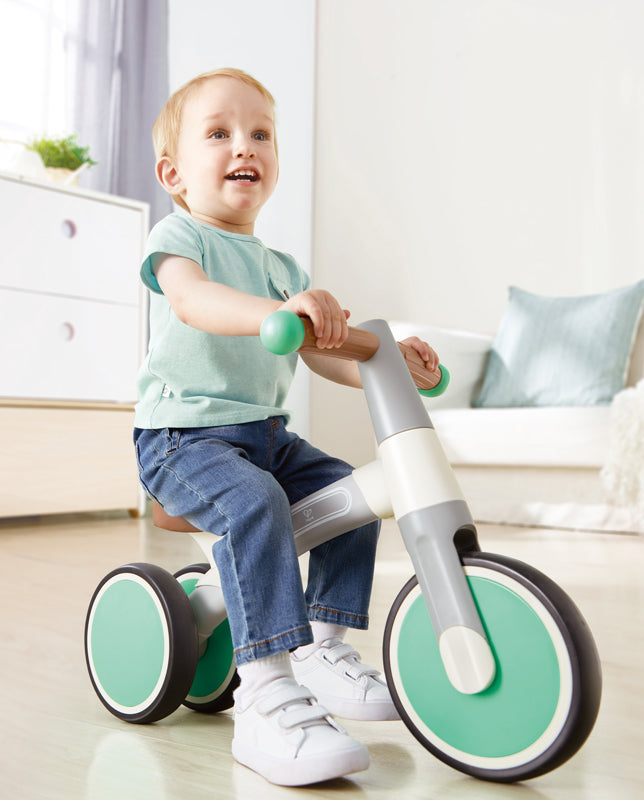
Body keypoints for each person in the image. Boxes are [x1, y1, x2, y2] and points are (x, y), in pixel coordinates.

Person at [133, 68, 439, 787]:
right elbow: (195, 303)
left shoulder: (280, 266)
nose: (245, 145)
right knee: (254, 505)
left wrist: (388, 362)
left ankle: (319, 649)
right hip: (183, 439)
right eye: (219, 133)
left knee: (356, 492)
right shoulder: (178, 237)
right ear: (173, 172)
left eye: (260, 133)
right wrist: (277, 313)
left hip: (263, 436)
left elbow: (325, 356)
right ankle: (264, 695)